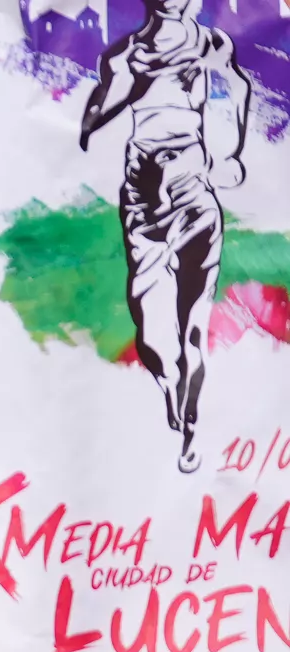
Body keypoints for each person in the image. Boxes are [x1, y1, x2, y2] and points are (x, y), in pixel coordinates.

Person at [80, 0, 248, 473]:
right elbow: (100, 107)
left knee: (193, 321)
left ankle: (193, 425)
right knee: (153, 330)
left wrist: (227, 154)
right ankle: (172, 387)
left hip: (192, 187)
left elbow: (235, 87)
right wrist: (96, 114)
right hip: (143, 194)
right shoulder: (124, 55)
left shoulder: (211, 45)